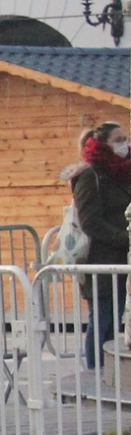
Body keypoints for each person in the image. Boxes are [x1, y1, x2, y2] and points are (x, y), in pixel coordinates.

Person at [69, 120, 131, 372]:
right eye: (118, 140)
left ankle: (109, 372)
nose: (125, 144)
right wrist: (124, 238)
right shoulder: (89, 176)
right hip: (100, 260)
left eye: (125, 138)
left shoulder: (122, 174)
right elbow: (90, 222)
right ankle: (95, 371)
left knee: (116, 317)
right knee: (102, 317)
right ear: (103, 144)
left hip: (121, 260)